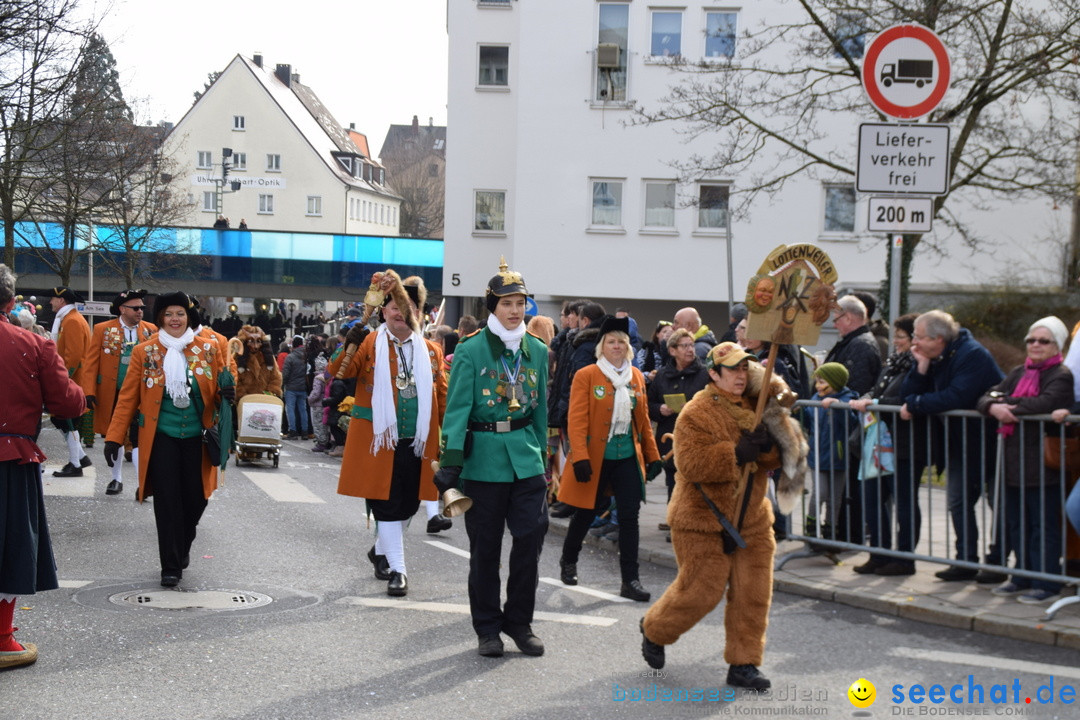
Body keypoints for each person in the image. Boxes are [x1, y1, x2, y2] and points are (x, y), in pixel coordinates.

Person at [640, 342, 781, 689]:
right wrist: (734, 453)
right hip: (703, 518)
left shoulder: (757, 406)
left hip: (751, 518)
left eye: (744, 368)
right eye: (732, 369)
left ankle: (744, 663)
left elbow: (772, 461)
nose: (740, 375)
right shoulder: (695, 412)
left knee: (754, 592)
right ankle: (655, 629)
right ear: (713, 373)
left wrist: (767, 448)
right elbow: (690, 464)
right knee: (701, 591)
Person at [434, 258, 549, 658]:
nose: (515, 310)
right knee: (485, 550)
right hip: (483, 461)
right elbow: (457, 410)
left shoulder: (537, 350)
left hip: (527, 460)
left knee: (530, 538)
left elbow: (540, 411)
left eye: (520, 302)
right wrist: (450, 462)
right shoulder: (470, 350)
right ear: (492, 307)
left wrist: (543, 458)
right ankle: (487, 628)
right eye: (507, 303)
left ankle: (519, 622)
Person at [104, 292, 233, 587]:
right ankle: (170, 565)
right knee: (167, 501)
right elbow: (127, 398)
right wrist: (114, 437)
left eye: (180, 314)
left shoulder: (209, 350)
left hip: (197, 439)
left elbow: (220, 390)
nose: (175, 319)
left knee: (196, 499)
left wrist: (226, 392)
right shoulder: (144, 352)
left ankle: (184, 540)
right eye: (169, 314)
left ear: (189, 318)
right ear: (160, 318)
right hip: (161, 438)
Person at [331, 272, 447, 596]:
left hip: (418, 442)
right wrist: (348, 343)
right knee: (387, 504)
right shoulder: (370, 342)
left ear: (419, 313)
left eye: (407, 306)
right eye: (394, 305)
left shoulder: (432, 351)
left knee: (408, 506)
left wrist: (452, 436)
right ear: (383, 311)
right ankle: (400, 570)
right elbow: (338, 370)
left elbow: (444, 397)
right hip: (378, 442)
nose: (400, 312)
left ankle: (381, 549)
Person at [0, 263, 86, 669]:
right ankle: (2, 639)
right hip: (10, 456)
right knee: (10, 545)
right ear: (10, 301)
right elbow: (68, 404)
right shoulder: (31, 344)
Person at [558, 316, 663, 600]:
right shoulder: (587, 375)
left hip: (627, 456)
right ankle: (569, 559)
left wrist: (653, 457)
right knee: (586, 511)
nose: (617, 346)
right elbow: (577, 419)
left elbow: (642, 423)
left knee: (630, 518)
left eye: (622, 342)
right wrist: (578, 457)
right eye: (612, 342)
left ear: (629, 347)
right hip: (595, 457)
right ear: (602, 346)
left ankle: (631, 580)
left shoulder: (637, 377)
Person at [901, 310, 1004, 582]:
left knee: (998, 503)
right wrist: (921, 366)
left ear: (938, 338)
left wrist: (917, 404)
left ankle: (999, 562)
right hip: (959, 444)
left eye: (919, 337)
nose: (914, 343)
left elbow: (956, 397)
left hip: (990, 443)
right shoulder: (934, 357)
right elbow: (907, 393)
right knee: (957, 502)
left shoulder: (972, 355)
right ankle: (965, 560)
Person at [977, 317, 1073, 604]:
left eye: (1043, 341)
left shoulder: (1061, 374)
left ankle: (1046, 582)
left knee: (1042, 527)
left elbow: (1046, 402)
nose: (1035, 345)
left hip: (1043, 464)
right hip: (1013, 462)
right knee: (1017, 523)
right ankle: (1020, 576)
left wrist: (1007, 406)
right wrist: (994, 406)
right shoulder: (1019, 371)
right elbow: (985, 396)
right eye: (1031, 340)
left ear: (1056, 345)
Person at [849, 313, 921, 576]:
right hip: (878, 441)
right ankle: (878, 554)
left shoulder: (919, 365)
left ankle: (904, 558)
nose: (896, 341)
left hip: (903, 443)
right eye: (896, 336)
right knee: (872, 499)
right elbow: (877, 389)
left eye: (901, 337)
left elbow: (906, 398)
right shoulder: (893, 362)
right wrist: (868, 398)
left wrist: (875, 404)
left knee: (903, 503)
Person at [81, 289, 157, 495]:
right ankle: (117, 479)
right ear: (122, 309)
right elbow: (90, 364)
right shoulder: (102, 329)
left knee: (140, 436)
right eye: (135, 308)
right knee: (116, 436)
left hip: (143, 394)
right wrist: (88, 391)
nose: (140, 311)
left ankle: (143, 483)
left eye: (142, 307)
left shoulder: (151, 330)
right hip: (113, 392)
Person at [648, 328, 710, 503]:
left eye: (692, 345)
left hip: (696, 438)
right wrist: (659, 409)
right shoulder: (661, 375)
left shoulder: (705, 375)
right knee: (672, 481)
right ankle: (673, 519)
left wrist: (692, 407)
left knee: (694, 483)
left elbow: (714, 403)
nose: (690, 349)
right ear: (672, 351)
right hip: (670, 437)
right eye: (685, 346)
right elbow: (649, 403)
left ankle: (692, 521)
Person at [803, 363, 858, 537]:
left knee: (835, 498)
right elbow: (807, 421)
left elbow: (852, 423)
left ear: (835, 382)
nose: (818, 386)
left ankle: (830, 531)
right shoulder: (814, 400)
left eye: (822, 381)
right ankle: (811, 528)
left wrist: (839, 407)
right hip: (817, 457)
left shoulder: (848, 399)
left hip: (838, 457)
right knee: (820, 492)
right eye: (817, 381)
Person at [48, 286, 94, 476]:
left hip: (72, 381)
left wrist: (63, 377)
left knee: (68, 421)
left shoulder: (72, 321)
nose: (50, 301)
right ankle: (81, 457)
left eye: (53, 298)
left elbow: (73, 356)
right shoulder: (69, 319)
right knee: (62, 420)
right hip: (72, 380)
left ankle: (76, 464)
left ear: (62, 301)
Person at [824, 295, 882, 397]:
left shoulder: (861, 345)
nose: (834, 325)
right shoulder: (856, 342)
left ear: (847, 318)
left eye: (836, 320)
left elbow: (856, 388)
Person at [233, 325, 283, 399]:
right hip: (245, 401)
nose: (255, 346)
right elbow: (235, 378)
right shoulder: (236, 358)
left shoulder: (268, 358)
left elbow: (276, 377)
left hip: (265, 401)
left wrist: (269, 394)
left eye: (258, 341)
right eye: (251, 341)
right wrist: (243, 395)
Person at [281, 335, 311, 439]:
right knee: (303, 410)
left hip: (291, 387)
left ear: (293, 345)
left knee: (290, 410)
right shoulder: (306, 356)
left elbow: (285, 374)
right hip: (302, 387)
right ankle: (305, 432)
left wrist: (283, 383)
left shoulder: (290, 357)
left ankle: (293, 431)